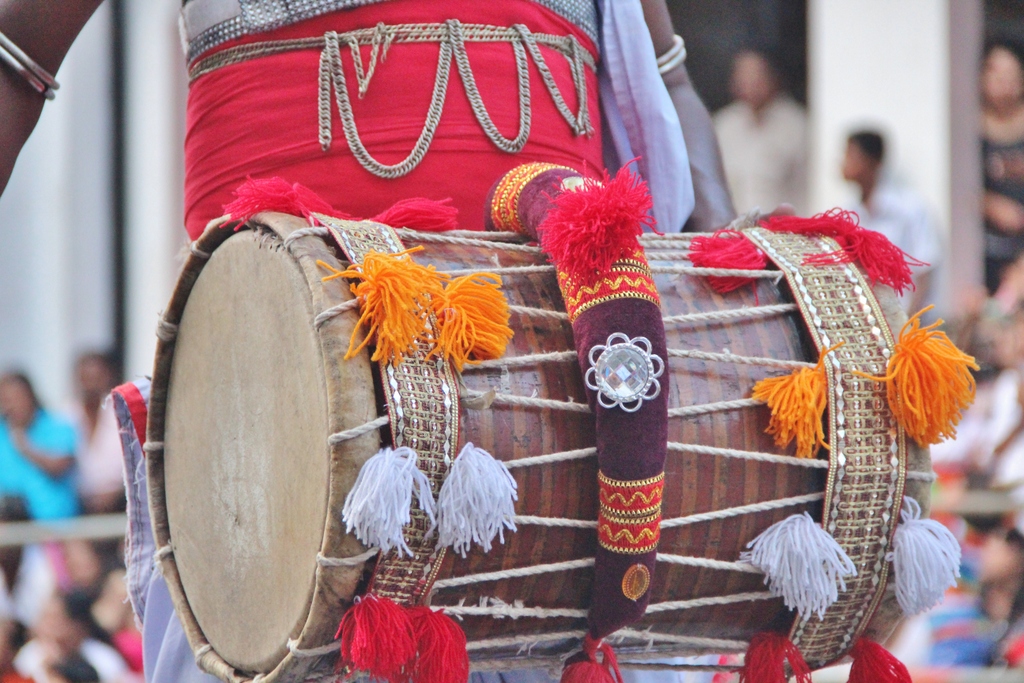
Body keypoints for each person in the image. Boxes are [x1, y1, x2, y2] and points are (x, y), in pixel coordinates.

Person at [841, 129, 943, 314]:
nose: (843, 163)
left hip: (906, 322)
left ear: (872, 161)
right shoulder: (850, 214)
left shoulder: (911, 208)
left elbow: (925, 272)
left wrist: (907, 326)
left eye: (850, 155)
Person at [713, 48, 808, 216]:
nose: (749, 83)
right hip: (733, 231)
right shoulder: (724, 124)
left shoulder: (796, 125)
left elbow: (808, 186)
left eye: (756, 76)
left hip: (782, 233)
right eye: (743, 76)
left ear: (774, 77)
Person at [0, 374, 78, 521]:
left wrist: (25, 447)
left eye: (16, 398)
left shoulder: (58, 427)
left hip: (57, 527)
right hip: (8, 528)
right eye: (5, 400)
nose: (11, 406)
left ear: (30, 396)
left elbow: (59, 467)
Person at [983, 40, 1024, 294]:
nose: (1004, 83)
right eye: (996, 74)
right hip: (985, 248)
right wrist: (987, 204)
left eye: (1012, 75)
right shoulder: (968, 125)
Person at [13, 592, 126, 683]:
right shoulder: (31, 655)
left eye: (55, 620)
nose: (46, 626)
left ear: (78, 626)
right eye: (46, 618)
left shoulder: (105, 659)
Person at [66, 354, 123, 515]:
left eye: (96, 378)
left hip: (120, 504)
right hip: (77, 508)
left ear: (107, 378)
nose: (90, 385)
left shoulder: (122, 414)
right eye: (86, 379)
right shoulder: (65, 416)